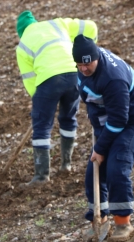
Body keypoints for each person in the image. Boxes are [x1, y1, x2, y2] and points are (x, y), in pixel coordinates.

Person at [73, 35, 134, 242]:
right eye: (79, 65)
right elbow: (90, 96)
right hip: (107, 121)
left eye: (87, 64)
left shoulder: (113, 78)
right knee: (94, 172)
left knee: (117, 167)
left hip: (132, 122)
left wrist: (100, 148)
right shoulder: (85, 66)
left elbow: (119, 120)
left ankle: (123, 223)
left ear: (96, 57)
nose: (83, 68)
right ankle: (99, 220)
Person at [14, 10, 98, 186]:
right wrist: (90, 47)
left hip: (48, 80)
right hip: (74, 73)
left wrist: (40, 104)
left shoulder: (23, 45)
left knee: (42, 126)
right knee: (68, 118)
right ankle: (66, 165)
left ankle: (42, 176)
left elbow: (30, 80)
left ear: (21, 32)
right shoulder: (56, 23)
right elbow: (91, 26)